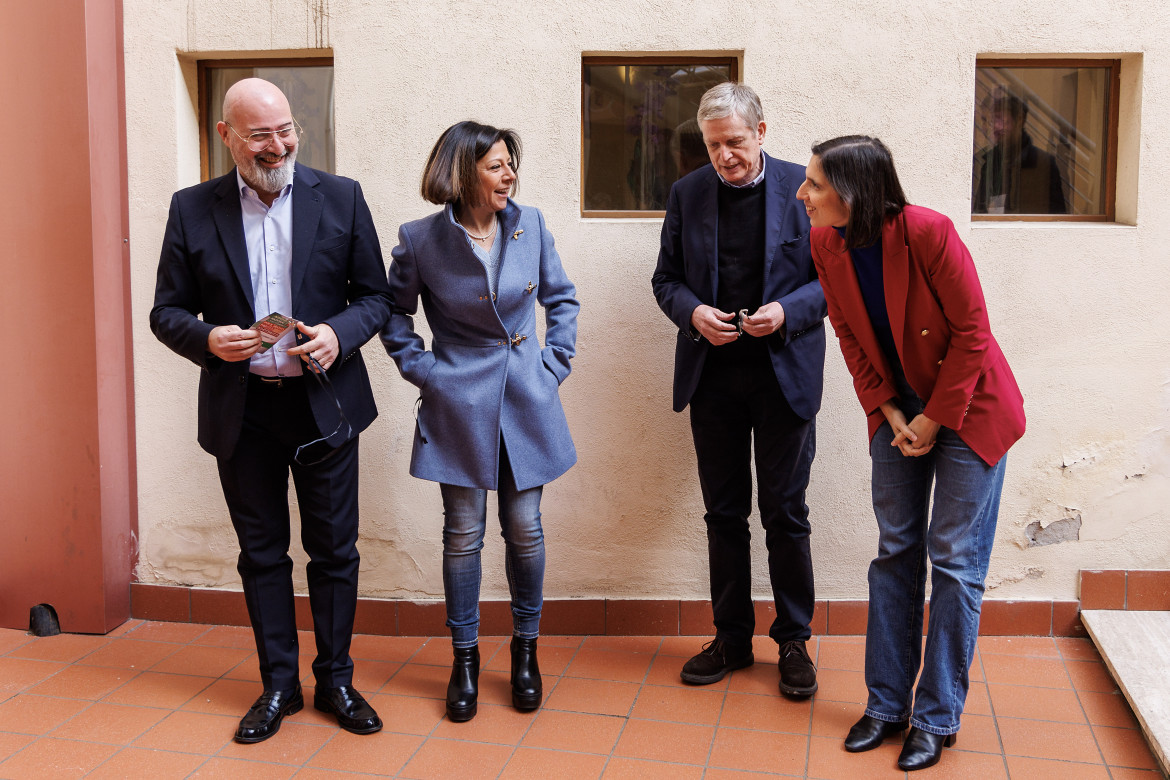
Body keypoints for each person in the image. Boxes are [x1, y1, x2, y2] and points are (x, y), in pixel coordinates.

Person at [150, 78, 392, 744]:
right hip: (243, 410)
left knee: (335, 552)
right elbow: (165, 311)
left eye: (286, 129)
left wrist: (341, 334)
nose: (278, 144)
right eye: (260, 134)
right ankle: (278, 685)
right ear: (226, 136)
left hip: (326, 405)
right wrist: (207, 340)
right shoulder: (191, 209)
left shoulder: (340, 197)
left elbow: (379, 297)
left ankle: (336, 681)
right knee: (261, 555)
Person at [797, 136, 1025, 771]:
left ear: (853, 192)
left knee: (953, 560)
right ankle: (886, 705)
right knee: (896, 549)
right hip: (898, 412)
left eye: (814, 184)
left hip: (969, 409)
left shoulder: (929, 232)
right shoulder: (825, 244)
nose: (802, 193)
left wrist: (932, 418)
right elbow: (846, 333)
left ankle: (935, 716)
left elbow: (974, 334)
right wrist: (892, 412)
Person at [381, 121, 579, 723]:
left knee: (525, 528)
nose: (509, 174)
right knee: (462, 534)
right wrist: (428, 374)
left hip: (526, 395)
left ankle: (525, 652)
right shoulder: (420, 239)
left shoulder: (532, 223)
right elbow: (394, 315)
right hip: (459, 401)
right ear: (463, 172)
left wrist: (553, 365)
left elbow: (562, 298)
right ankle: (463, 658)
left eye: (510, 163)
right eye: (496, 165)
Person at [651, 82, 827, 697]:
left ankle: (795, 641)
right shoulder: (687, 193)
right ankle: (731, 638)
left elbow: (831, 279)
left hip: (785, 376)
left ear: (762, 132)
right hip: (715, 378)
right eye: (712, 144)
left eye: (734, 142)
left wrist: (787, 311)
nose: (723, 156)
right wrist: (693, 313)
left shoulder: (802, 189)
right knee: (724, 514)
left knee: (786, 513)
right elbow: (666, 280)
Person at [972, 90, 1067, 214]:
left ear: (1020, 119)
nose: (994, 126)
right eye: (989, 120)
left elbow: (1057, 217)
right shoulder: (987, 161)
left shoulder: (1044, 164)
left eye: (999, 118)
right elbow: (980, 212)